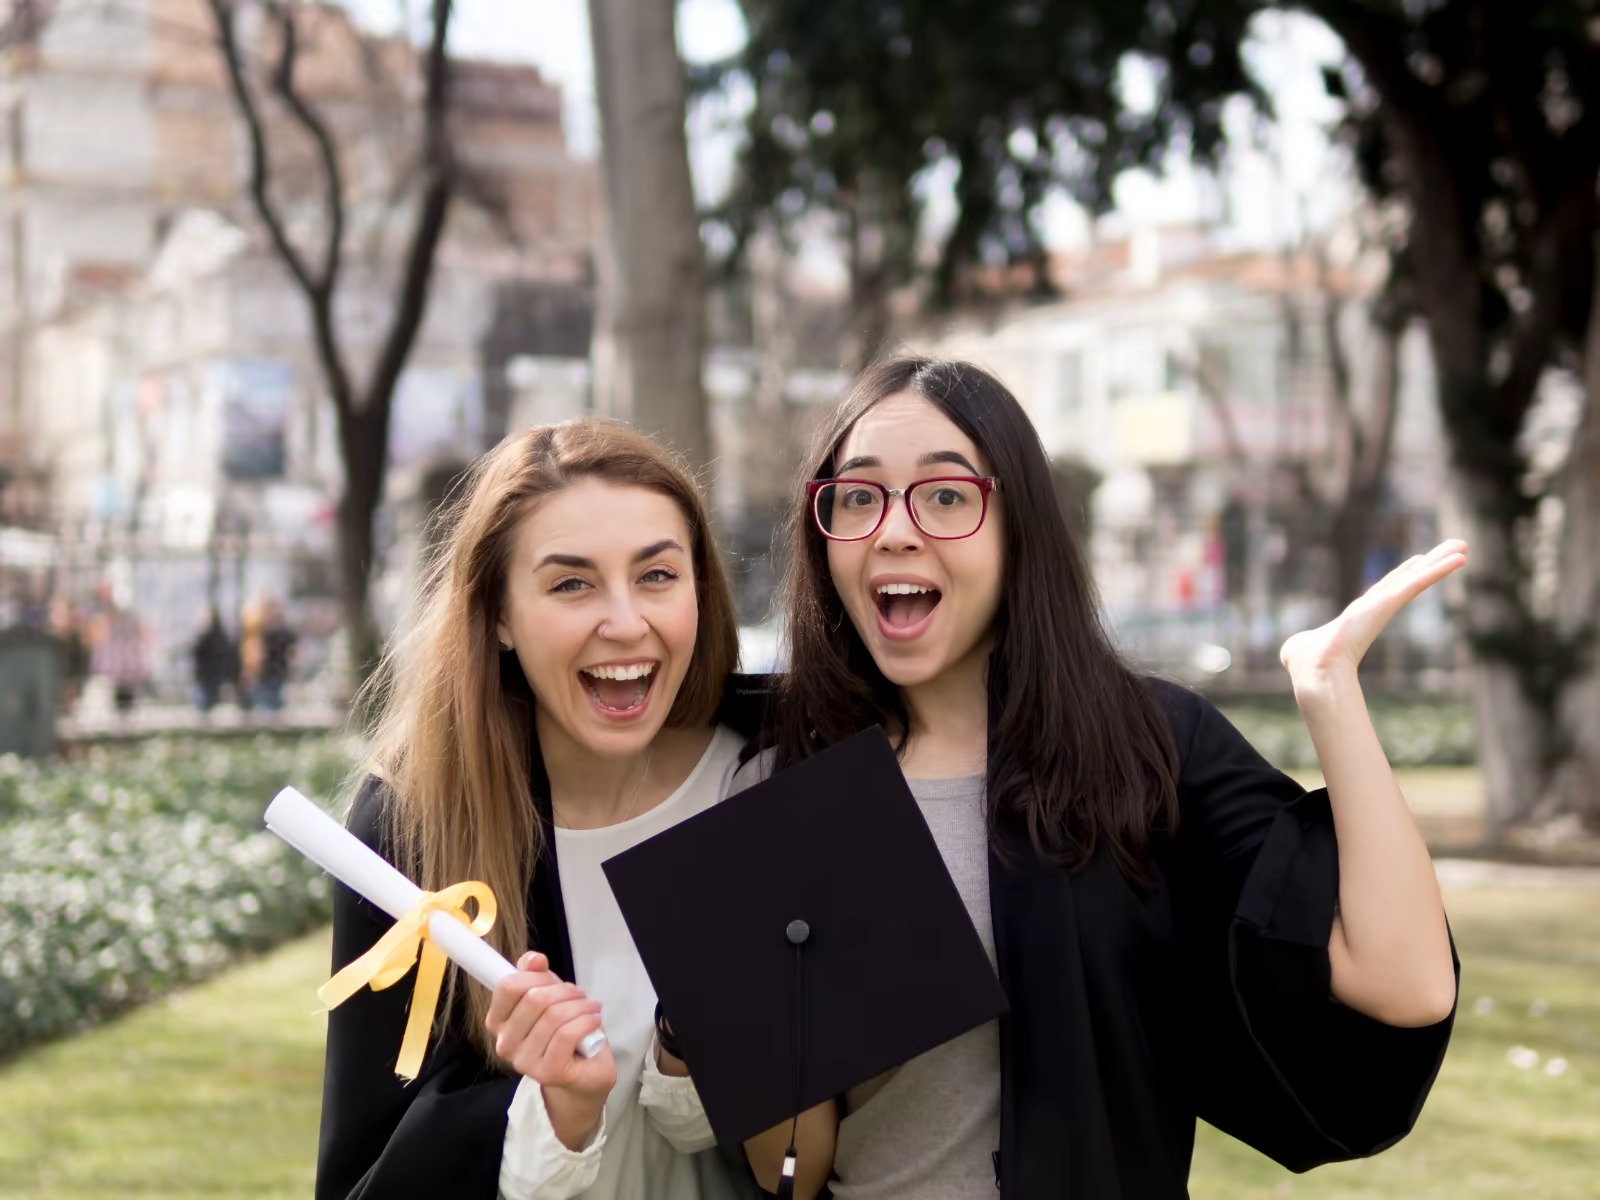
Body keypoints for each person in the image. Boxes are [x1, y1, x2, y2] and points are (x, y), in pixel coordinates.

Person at [737, 357, 1460, 1199]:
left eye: (945, 495)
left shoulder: (1146, 747)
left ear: (1019, 528)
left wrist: (1330, 693)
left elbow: (1405, 983)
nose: (894, 530)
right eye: (859, 497)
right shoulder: (792, 789)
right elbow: (792, 1171)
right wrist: (729, 1009)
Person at [317, 420, 757, 1200]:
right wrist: (554, 1115)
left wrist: (695, 1045)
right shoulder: (414, 832)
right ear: (499, 615)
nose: (625, 622)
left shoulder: (770, 778)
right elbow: (368, 1183)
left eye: (657, 575)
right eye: (571, 583)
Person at [192, 607, 240, 713]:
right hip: (208, 677)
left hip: (210, 677)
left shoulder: (214, 638)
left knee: (206, 706)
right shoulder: (216, 637)